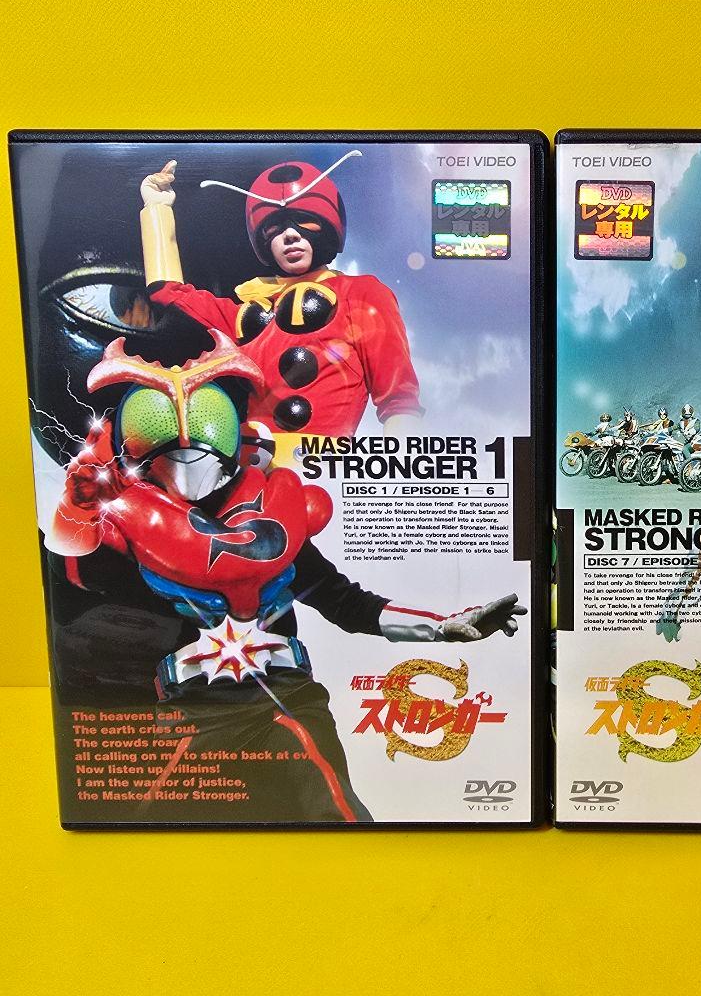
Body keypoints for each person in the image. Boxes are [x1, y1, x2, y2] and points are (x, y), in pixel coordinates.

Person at [51, 333, 524, 822]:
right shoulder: (129, 526)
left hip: (283, 701)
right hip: (187, 711)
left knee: (333, 810)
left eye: (204, 418)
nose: (187, 444)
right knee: (151, 827)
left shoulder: (272, 518)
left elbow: (347, 603)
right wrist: (76, 507)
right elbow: (75, 578)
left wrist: (443, 626)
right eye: (158, 424)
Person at [139, 156, 422, 437]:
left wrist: (399, 460)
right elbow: (168, 291)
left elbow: (399, 400)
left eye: (305, 220)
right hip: (251, 460)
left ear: (328, 224)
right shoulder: (248, 311)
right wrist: (157, 208)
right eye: (274, 227)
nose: (290, 235)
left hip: (322, 461)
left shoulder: (361, 294)